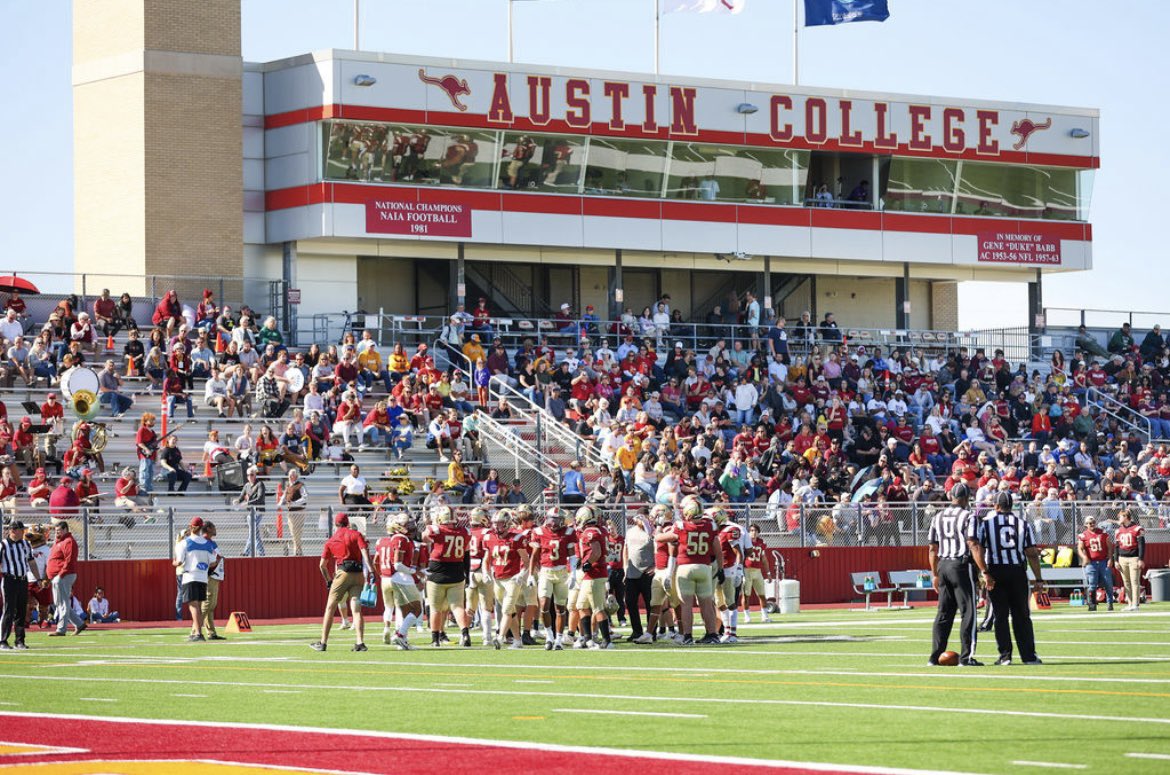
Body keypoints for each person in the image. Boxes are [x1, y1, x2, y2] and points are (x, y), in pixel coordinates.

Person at [927, 483, 994, 667]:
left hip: (943, 565)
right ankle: (966, 657)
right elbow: (972, 544)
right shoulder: (968, 516)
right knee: (969, 613)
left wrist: (935, 574)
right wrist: (984, 571)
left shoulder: (937, 517)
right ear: (966, 499)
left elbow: (933, 549)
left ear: (951, 497)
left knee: (943, 613)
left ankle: (934, 657)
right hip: (961, 565)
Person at [978, 492, 1044, 666]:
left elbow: (980, 550)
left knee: (1000, 616)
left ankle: (1005, 655)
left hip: (996, 572)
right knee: (1022, 615)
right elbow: (1031, 553)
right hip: (1017, 572)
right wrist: (1038, 578)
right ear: (1012, 506)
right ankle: (1029, 656)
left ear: (996, 506)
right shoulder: (1022, 524)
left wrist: (984, 572)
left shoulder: (986, 525)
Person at [655, 496, 723, 645]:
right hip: (704, 568)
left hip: (685, 568)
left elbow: (659, 538)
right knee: (706, 603)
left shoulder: (681, 526)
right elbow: (718, 550)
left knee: (686, 604)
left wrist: (658, 526)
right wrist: (721, 568)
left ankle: (687, 636)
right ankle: (712, 635)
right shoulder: (709, 525)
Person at [311, 512, 372, 652]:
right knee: (356, 609)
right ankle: (360, 642)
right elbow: (365, 553)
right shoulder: (356, 535)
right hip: (358, 573)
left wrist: (328, 580)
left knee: (330, 607)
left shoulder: (331, 540)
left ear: (335, 524)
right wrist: (371, 571)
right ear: (348, 523)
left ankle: (323, 642)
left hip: (342, 573)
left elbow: (322, 565)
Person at [423, 505, 472, 648]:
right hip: (457, 572)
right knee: (457, 607)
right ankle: (465, 634)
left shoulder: (436, 529)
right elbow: (466, 554)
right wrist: (467, 574)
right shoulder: (464, 531)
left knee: (435, 608)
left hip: (438, 572)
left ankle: (435, 639)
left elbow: (424, 537)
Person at [529, 507, 576, 650]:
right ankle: (549, 637)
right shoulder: (539, 532)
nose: (553, 522)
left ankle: (559, 640)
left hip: (561, 572)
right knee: (543, 606)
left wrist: (573, 573)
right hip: (545, 572)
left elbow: (572, 555)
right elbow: (534, 555)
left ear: (562, 521)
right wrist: (531, 574)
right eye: (551, 518)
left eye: (556, 519)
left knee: (560, 608)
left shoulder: (568, 532)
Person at [374, 513, 422, 650]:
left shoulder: (399, 538)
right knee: (417, 609)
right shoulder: (400, 539)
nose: (411, 528)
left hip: (391, 578)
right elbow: (397, 564)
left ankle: (402, 641)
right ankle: (400, 635)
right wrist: (415, 572)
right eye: (407, 525)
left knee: (404, 610)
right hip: (402, 577)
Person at [485, 509, 530, 650]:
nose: (496, 526)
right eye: (495, 524)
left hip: (512, 578)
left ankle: (500, 637)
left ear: (507, 523)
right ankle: (518, 640)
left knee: (506, 609)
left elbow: (526, 560)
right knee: (510, 612)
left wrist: (522, 574)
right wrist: (486, 572)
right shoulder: (490, 537)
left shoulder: (516, 538)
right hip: (498, 578)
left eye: (499, 524)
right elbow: (487, 558)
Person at [572, 505, 614, 649]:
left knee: (598, 608)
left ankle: (607, 641)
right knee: (581, 606)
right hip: (592, 575)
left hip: (594, 574)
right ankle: (587, 639)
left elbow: (596, 551)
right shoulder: (597, 530)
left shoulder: (590, 531)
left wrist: (587, 563)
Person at [1, 521, 48, 649]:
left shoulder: (26, 545)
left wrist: (38, 578)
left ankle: (19, 641)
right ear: (14, 530)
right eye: (22, 530)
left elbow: (31, 562)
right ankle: (3, 641)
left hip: (22, 580)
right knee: (8, 611)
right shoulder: (3, 545)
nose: (24, 533)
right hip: (9, 580)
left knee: (22, 611)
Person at [174, 516, 220, 643]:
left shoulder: (185, 542)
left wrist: (174, 562)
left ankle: (198, 633)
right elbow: (213, 561)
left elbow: (179, 561)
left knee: (193, 606)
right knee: (198, 606)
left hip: (190, 576)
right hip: (203, 577)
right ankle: (196, 632)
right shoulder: (206, 543)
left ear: (191, 527)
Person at [46, 521, 86, 637]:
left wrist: (60, 575)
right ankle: (79, 624)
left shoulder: (69, 541)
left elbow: (69, 560)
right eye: (56, 531)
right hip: (58, 576)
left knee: (63, 603)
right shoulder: (59, 541)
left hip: (64, 575)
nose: (56, 533)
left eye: (59, 531)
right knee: (60, 603)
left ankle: (61, 629)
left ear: (65, 530)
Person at [621, 508, 654, 643]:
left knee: (650, 603)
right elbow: (626, 549)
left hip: (647, 571)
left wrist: (656, 565)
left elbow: (660, 548)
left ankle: (650, 632)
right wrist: (625, 567)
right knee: (630, 602)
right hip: (631, 572)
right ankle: (636, 631)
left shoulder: (651, 531)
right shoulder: (630, 532)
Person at [1076, 515, 1114, 612]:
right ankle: (1092, 604)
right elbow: (1079, 549)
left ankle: (1110, 603)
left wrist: (1110, 559)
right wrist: (1084, 557)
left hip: (1103, 561)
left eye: (1093, 522)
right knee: (1092, 584)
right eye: (1089, 523)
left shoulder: (1103, 533)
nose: (1091, 524)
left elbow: (1109, 547)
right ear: (1085, 525)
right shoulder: (1083, 535)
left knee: (1108, 583)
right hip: (1091, 563)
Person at [1114, 509, 1145, 611]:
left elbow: (1141, 545)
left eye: (1120, 517)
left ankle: (1135, 604)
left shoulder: (1137, 528)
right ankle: (1130, 603)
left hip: (1134, 558)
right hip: (1122, 558)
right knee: (1126, 582)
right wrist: (1116, 560)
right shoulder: (1118, 531)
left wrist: (1140, 559)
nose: (1119, 519)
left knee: (1134, 581)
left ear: (1126, 517)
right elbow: (1117, 547)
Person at [200, 520, 227, 640]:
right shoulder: (203, 542)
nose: (216, 529)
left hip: (215, 576)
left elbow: (218, 557)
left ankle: (211, 633)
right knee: (206, 603)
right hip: (209, 575)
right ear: (209, 528)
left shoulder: (212, 542)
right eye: (214, 527)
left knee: (211, 605)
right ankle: (195, 629)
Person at [742, 524, 772, 623]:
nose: (753, 532)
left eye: (755, 531)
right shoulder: (745, 542)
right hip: (747, 570)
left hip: (757, 571)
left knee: (762, 594)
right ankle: (746, 616)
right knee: (746, 595)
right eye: (751, 530)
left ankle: (765, 616)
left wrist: (768, 572)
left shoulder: (761, 543)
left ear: (758, 532)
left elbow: (764, 559)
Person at [236, 466, 267, 557]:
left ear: (255, 475)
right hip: (250, 512)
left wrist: (248, 503)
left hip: (258, 511)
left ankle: (256, 553)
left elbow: (260, 498)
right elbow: (241, 496)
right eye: (248, 475)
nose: (250, 476)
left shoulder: (260, 484)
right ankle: (256, 553)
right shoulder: (247, 485)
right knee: (253, 533)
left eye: (252, 475)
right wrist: (237, 501)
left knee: (253, 532)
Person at [277, 468, 308, 556]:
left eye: (293, 475)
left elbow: (305, 498)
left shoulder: (300, 485)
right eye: (290, 475)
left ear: (296, 476)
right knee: (293, 532)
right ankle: (299, 551)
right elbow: (283, 496)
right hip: (290, 512)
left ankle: (297, 552)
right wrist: (279, 503)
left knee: (297, 532)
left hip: (299, 511)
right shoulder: (288, 486)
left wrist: (294, 503)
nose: (291, 477)